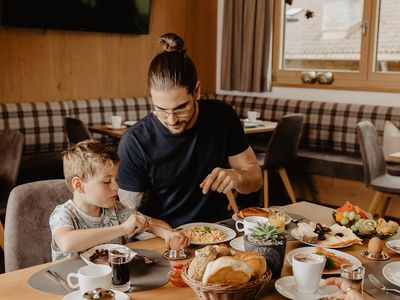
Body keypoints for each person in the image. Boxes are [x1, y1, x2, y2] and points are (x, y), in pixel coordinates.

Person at [117, 33, 263, 227]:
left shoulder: (222, 116)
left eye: (180, 108)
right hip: (163, 236)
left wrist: (238, 176)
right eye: (160, 109)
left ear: (197, 91)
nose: (172, 120)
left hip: (216, 229)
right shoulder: (135, 142)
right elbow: (127, 215)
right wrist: (165, 233)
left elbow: (255, 180)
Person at [49, 140, 189, 261]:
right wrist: (122, 229)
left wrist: (168, 233)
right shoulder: (63, 214)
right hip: (72, 284)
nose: (116, 187)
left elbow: (151, 224)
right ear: (78, 185)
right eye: (106, 181)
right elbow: (67, 242)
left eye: (116, 179)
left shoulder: (116, 209)